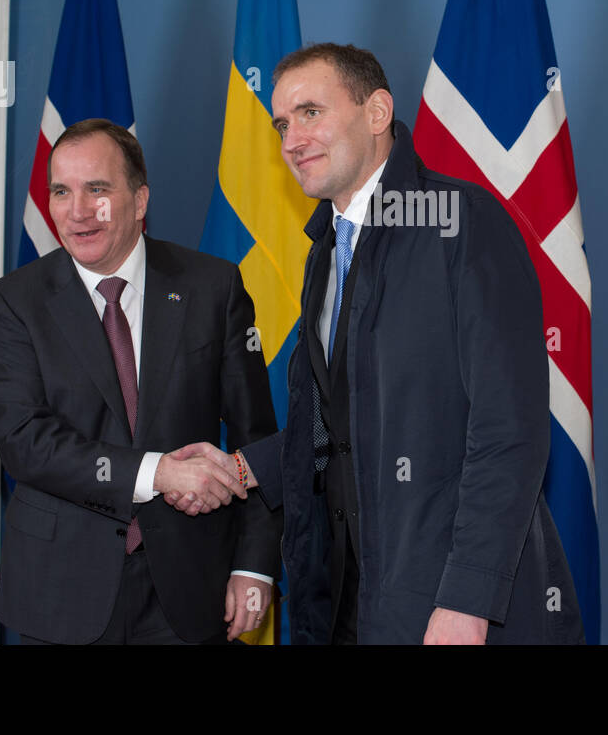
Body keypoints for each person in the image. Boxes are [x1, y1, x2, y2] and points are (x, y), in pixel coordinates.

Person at [165, 44, 585, 644]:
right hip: (348, 600)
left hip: (446, 606)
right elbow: (341, 423)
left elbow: (508, 432)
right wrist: (241, 466)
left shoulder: (460, 223)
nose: (291, 140)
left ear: (377, 112)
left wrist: (468, 601)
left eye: (311, 112)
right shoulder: (325, 252)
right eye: (283, 123)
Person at [0, 118, 281, 644]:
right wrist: (159, 473)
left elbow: (256, 439)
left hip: (190, 592)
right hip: (60, 593)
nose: (77, 211)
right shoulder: (15, 301)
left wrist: (253, 566)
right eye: (61, 191)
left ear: (140, 201)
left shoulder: (212, 287)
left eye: (97, 189)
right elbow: (24, 441)